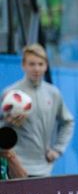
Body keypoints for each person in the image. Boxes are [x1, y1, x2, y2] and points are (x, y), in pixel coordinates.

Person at [1, 44, 74, 177]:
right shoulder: (10, 94)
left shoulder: (53, 93)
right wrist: (8, 124)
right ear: (23, 65)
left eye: (40, 64)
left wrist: (57, 150)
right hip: (17, 168)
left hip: (44, 169)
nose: (36, 68)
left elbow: (68, 122)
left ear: (46, 66)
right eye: (32, 64)